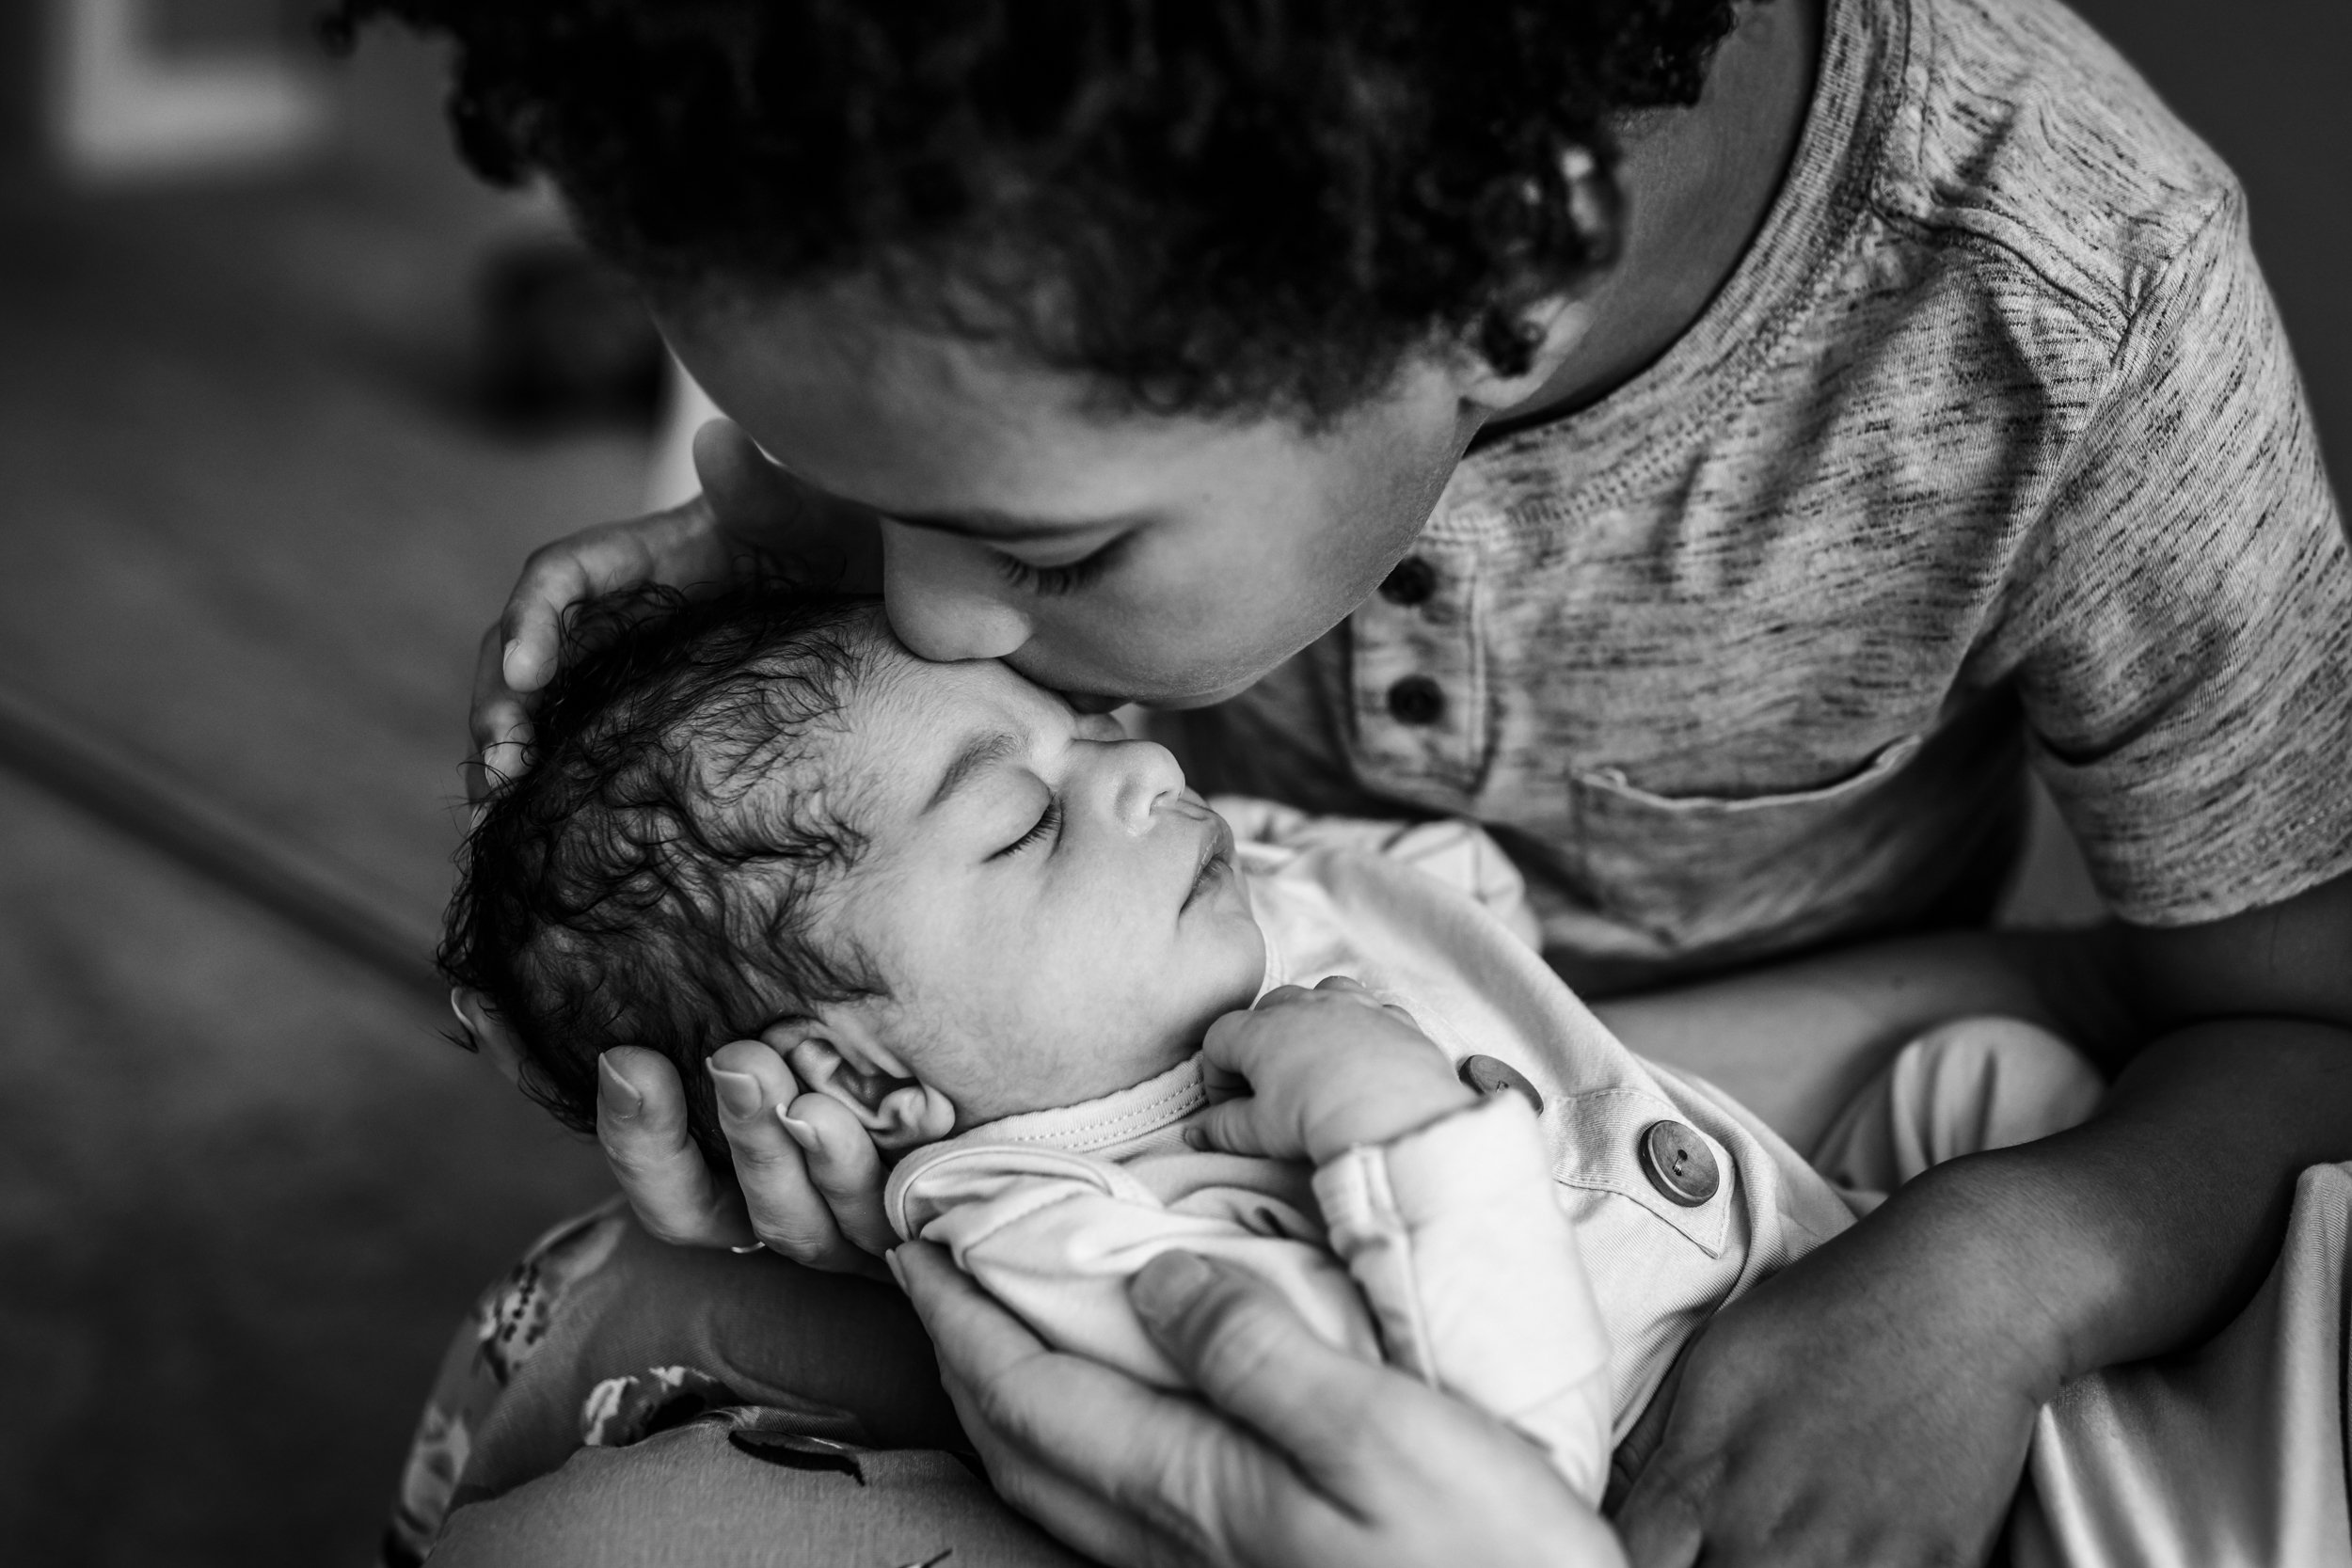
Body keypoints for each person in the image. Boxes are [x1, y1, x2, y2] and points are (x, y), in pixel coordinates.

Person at [330, 0, 2352, 1562]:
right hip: (1155, 1139)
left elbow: (2299, 1026)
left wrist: (1992, 1277)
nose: (938, 626)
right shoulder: (984, 217)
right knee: (606, 1322)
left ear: (1507, 285)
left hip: (1748, 1166)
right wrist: (757, 686)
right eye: (846, 496)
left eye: (1034, 553)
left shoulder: (2064, 315)